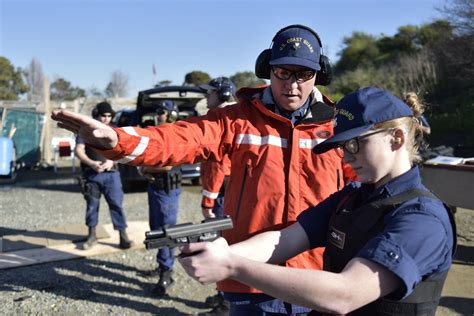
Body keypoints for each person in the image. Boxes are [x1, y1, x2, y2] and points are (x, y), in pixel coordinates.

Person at [52, 24, 355, 315]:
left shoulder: (338, 128)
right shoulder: (236, 120)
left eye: (303, 74)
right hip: (251, 283)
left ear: (319, 74)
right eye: (283, 72)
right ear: (268, 69)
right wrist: (117, 140)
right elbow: (179, 138)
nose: (292, 84)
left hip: (318, 278)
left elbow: (365, 189)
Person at [178, 87, 457, 316]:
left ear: (396, 138)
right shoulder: (351, 198)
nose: (346, 157)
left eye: (354, 144)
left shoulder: (421, 219)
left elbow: (345, 294)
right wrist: (219, 253)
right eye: (341, 147)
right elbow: (285, 240)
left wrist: (232, 266)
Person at [198, 77, 237, 311]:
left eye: (210, 92)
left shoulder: (220, 120)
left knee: (222, 247)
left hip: (223, 193)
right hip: (232, 191)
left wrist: (208, 200)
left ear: (221, 94)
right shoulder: (234, 116)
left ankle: (226, 303)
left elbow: (217, 165)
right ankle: (223, 295)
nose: (206, 96)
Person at [138, 100, 183, 297]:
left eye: (163, 112)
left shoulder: (175, 135)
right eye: (158, 111)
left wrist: (144, 169)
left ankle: (167, 272)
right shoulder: (159, 133)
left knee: (166, 231)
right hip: (156, 187)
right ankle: (162, 265)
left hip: (167, 191)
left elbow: (167, 165)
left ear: (173, 115)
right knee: (156, 230)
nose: (158, 115)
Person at [74, 101, 134, 250]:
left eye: (109, 116)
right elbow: (79, 150)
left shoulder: (115, 130)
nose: (106, 119)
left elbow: (122, 150)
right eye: (103, 115)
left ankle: (123, 236)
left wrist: (110, 161)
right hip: (92, 174)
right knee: (92, 206)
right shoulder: (86, 130)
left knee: (117, 205)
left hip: (111, 174)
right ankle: (91, 235)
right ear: (96, 115)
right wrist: (91, 163)